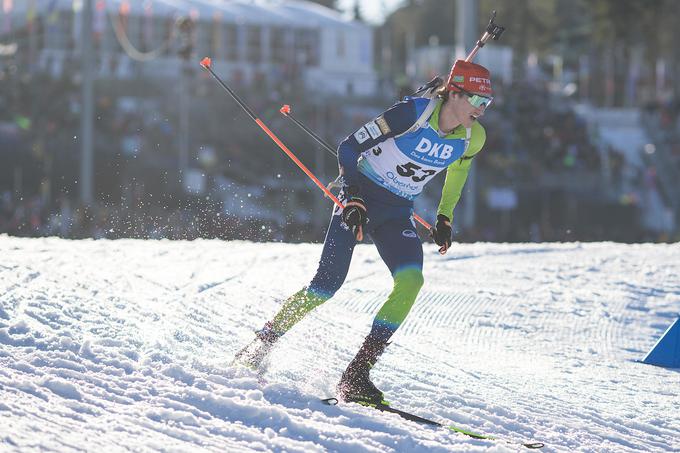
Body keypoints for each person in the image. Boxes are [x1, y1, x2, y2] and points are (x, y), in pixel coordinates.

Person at [234, 60, 492, 405]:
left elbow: (458, 173)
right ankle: (264, 340)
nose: (481, 111)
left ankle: (357, 375)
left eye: (487, 104)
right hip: (361, 201)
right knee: (325, 287)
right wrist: (352, 195)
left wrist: (444, 217)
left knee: (412, 281)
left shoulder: (473, 137)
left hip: (397, 211)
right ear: (455, 94)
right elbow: (348, 146)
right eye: (478, 100)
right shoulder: (412, 113)